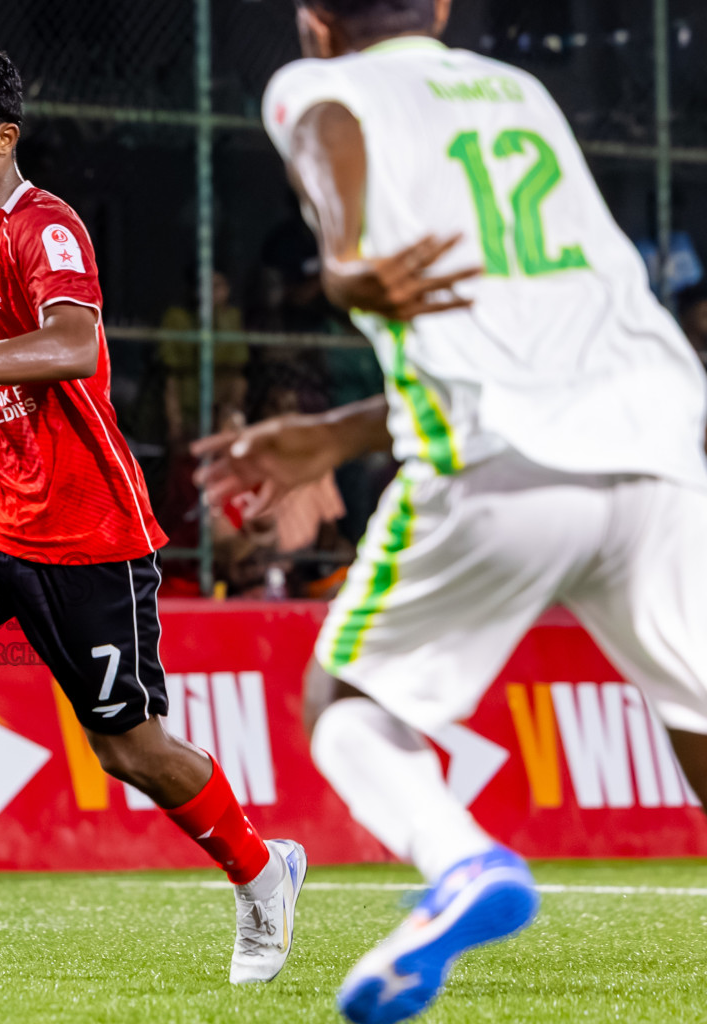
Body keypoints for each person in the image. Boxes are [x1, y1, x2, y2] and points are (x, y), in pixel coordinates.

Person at [194, 3, 707, 1021]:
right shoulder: (520, 93)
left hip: (499, 467)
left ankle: (464, 864)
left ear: (314, 22)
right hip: (660, 444)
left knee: (343, 709)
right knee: (698, 715)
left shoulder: (319, 82)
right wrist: (340, 434)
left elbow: (326, 122)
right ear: (437, 8)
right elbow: (536, 328)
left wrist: (340, 256)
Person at [0, 37, 304, 978]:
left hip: (86, 536)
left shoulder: (48, 227)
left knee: (131, 750)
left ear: (4, 137)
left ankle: (260, 869)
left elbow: (70, 345)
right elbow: (0, 359)